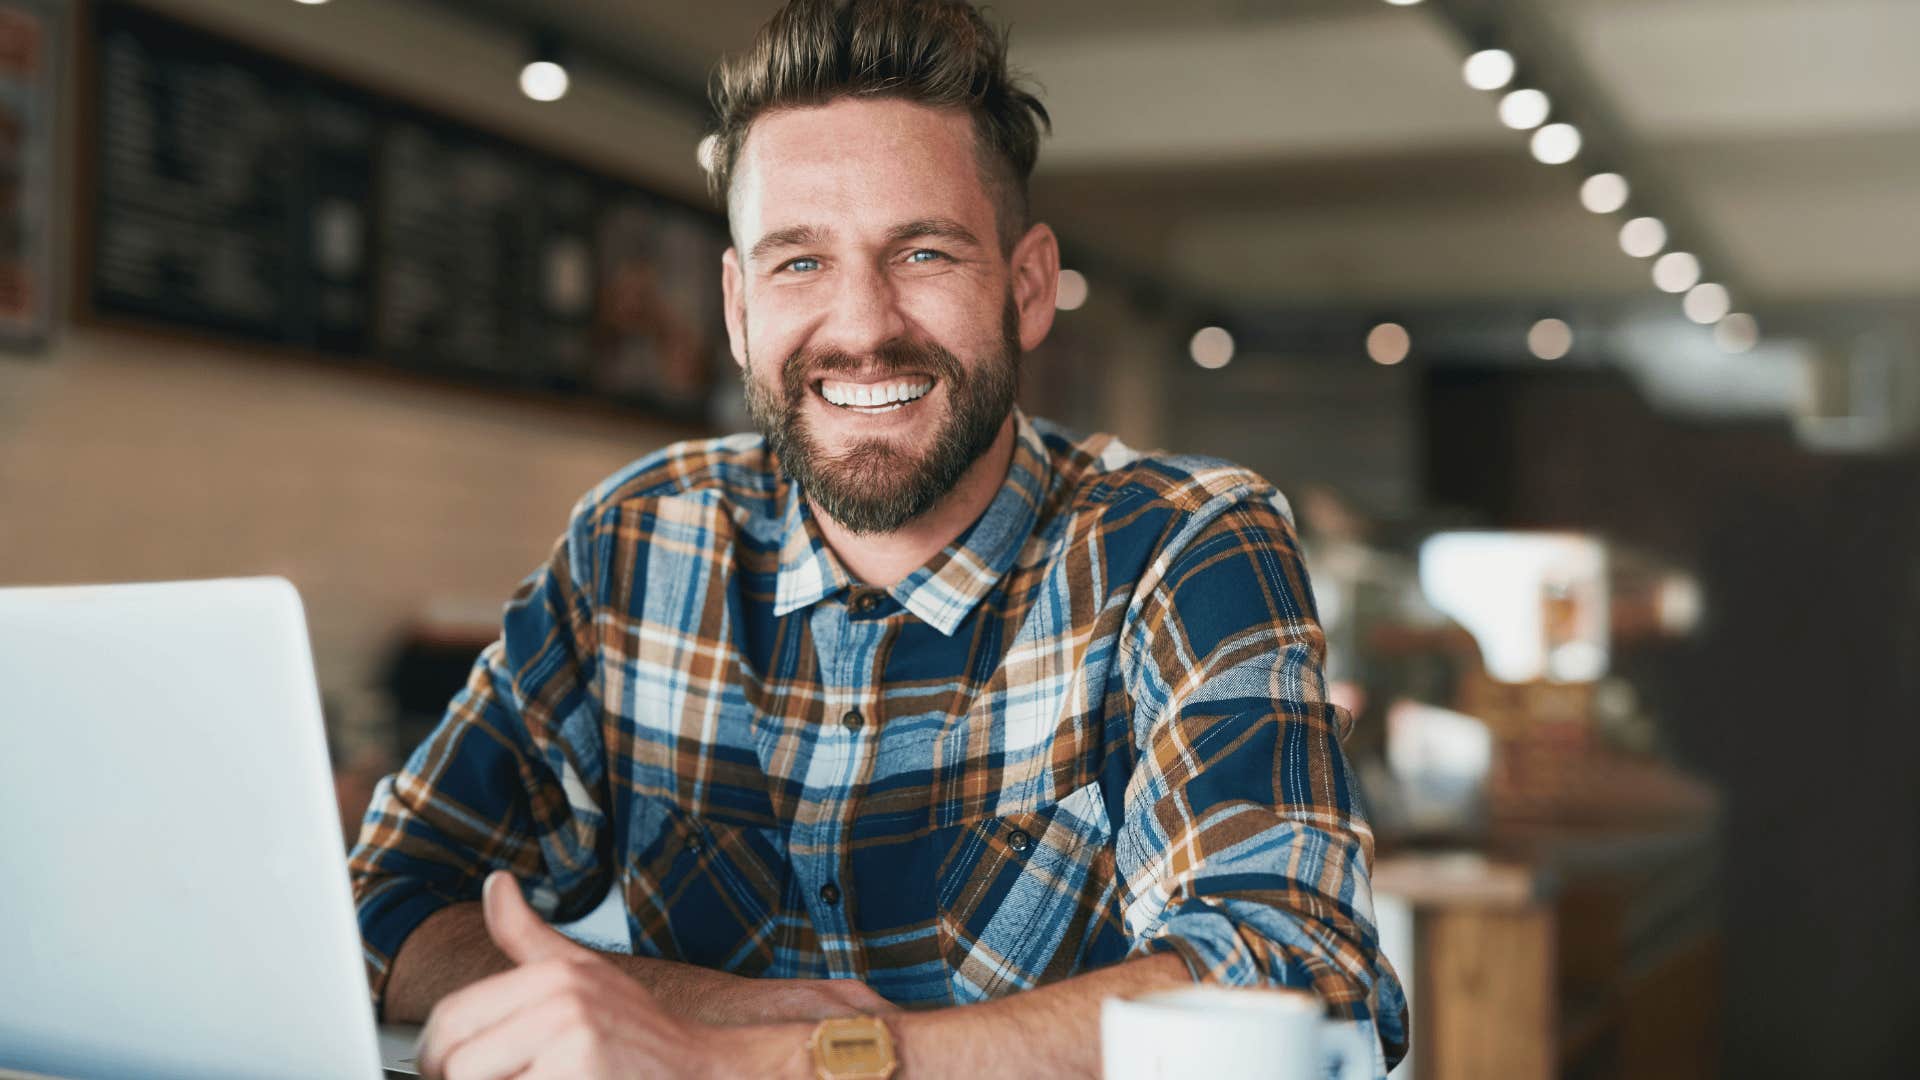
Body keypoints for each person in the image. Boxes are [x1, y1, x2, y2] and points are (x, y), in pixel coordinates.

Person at [348, 1, 1409, 1075]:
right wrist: (694, 1011)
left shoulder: (1182, 547)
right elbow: (387, 899)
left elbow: (1297, 976)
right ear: (736, 305)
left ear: (1028, 287)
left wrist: (769, 1062)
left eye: (923, 253)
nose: (860, 328)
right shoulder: (640, 545)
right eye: (798, 263)